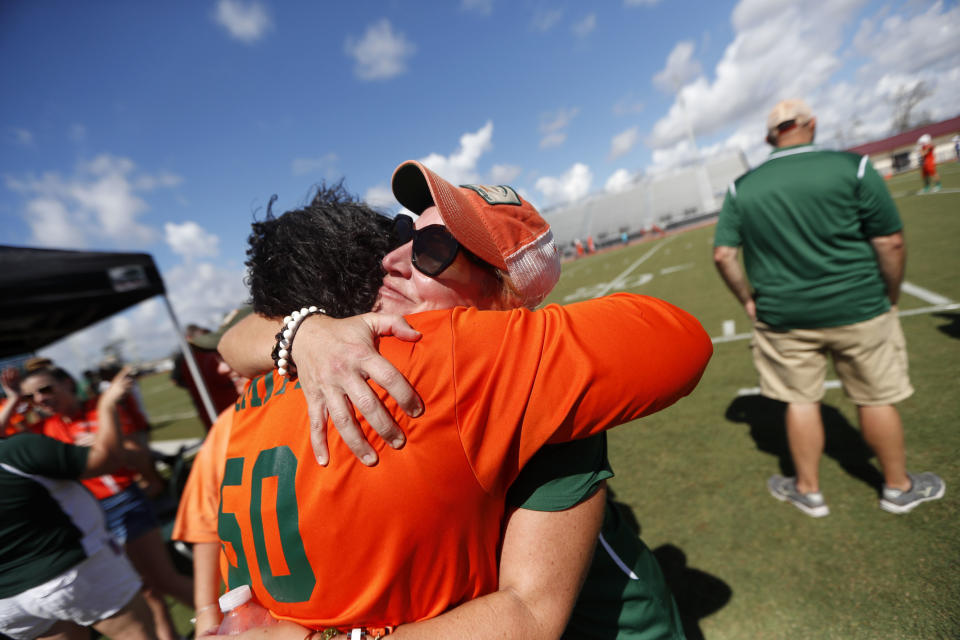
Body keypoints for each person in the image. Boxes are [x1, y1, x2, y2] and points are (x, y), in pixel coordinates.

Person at [213, 163, 710, 636]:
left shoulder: (514, 371)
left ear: (507, 294)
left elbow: (531, 613)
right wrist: (305, 331)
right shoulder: (371, 350)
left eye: (432, 249)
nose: (393, 260)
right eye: (402, 235)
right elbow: (233, 338)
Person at [713, 98, 945, 518]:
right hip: (860, 306)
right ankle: (897, 487)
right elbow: (890, 242)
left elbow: (724, 255)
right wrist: (889, 294)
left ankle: (809, 490)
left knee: (800, 400)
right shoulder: (851, 167)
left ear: (770, 137)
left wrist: (748, 300)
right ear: (810, 124)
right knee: (875, 398)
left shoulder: (741, 187)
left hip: (783, 317)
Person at [18, 367, 193, 640]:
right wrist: (13, 400)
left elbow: (141, 456)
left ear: (67, 383)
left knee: (163, 580)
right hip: (87, 519)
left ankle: (226, 619)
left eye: (46, 389)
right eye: (31, 397)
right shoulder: (40, 430)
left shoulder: (100, 409)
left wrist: (108, 446)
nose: (40, 399)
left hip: (122, 502)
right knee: (143, 589)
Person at [171, 307, 254, 636]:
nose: (221, 368)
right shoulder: (225, 427)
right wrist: (207, 614)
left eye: (232, 351)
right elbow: (205, 527)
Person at [171, 324, 241, 430]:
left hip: (215, 408)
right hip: (225, 407)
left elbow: (175, 380)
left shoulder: (183, 359)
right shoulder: (203, 356)